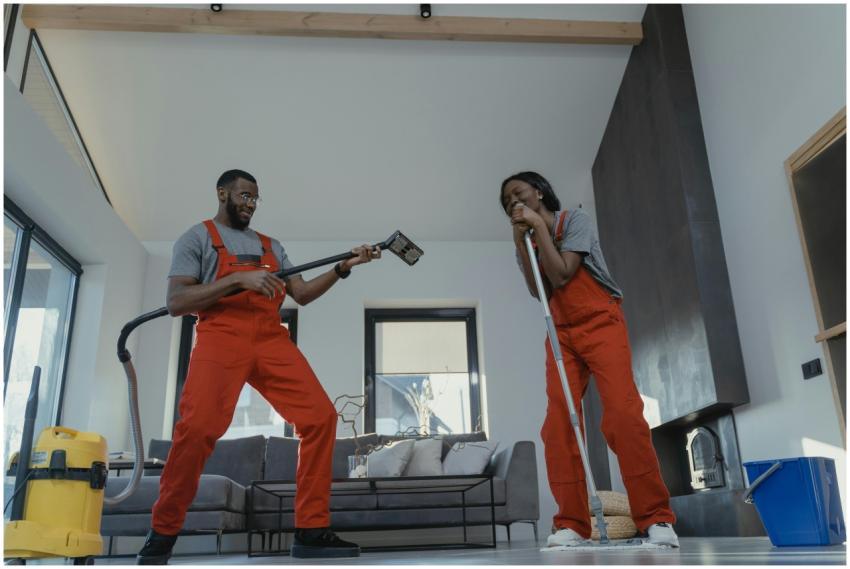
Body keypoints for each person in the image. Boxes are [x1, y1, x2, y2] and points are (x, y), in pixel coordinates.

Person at [137, 169, 380, 564]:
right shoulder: (197, 237)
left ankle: (312, 530)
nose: (250, 203)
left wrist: (344, 267)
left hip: (270, 338)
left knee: (320, 418)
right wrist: (238, 282)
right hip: (220, 337)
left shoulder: (272, 245)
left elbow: (300, 294)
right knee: (196, 430)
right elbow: (176, 302)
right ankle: (162, 535)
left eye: (255, 198)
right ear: (222, 193)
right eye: (244, 195)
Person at [500, 171, 679, 548]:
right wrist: (522, 245)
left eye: (517, 194)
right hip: (560, 333)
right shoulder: (528, 245)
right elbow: (541, 293)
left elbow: (565, 274)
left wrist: (539, 230)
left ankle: (656, 518)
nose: (512, 204)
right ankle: (572, 525)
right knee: (558, 426)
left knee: (623, 415)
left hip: (601, 321)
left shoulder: (574, 221)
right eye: (506, 203)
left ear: (539, 192)